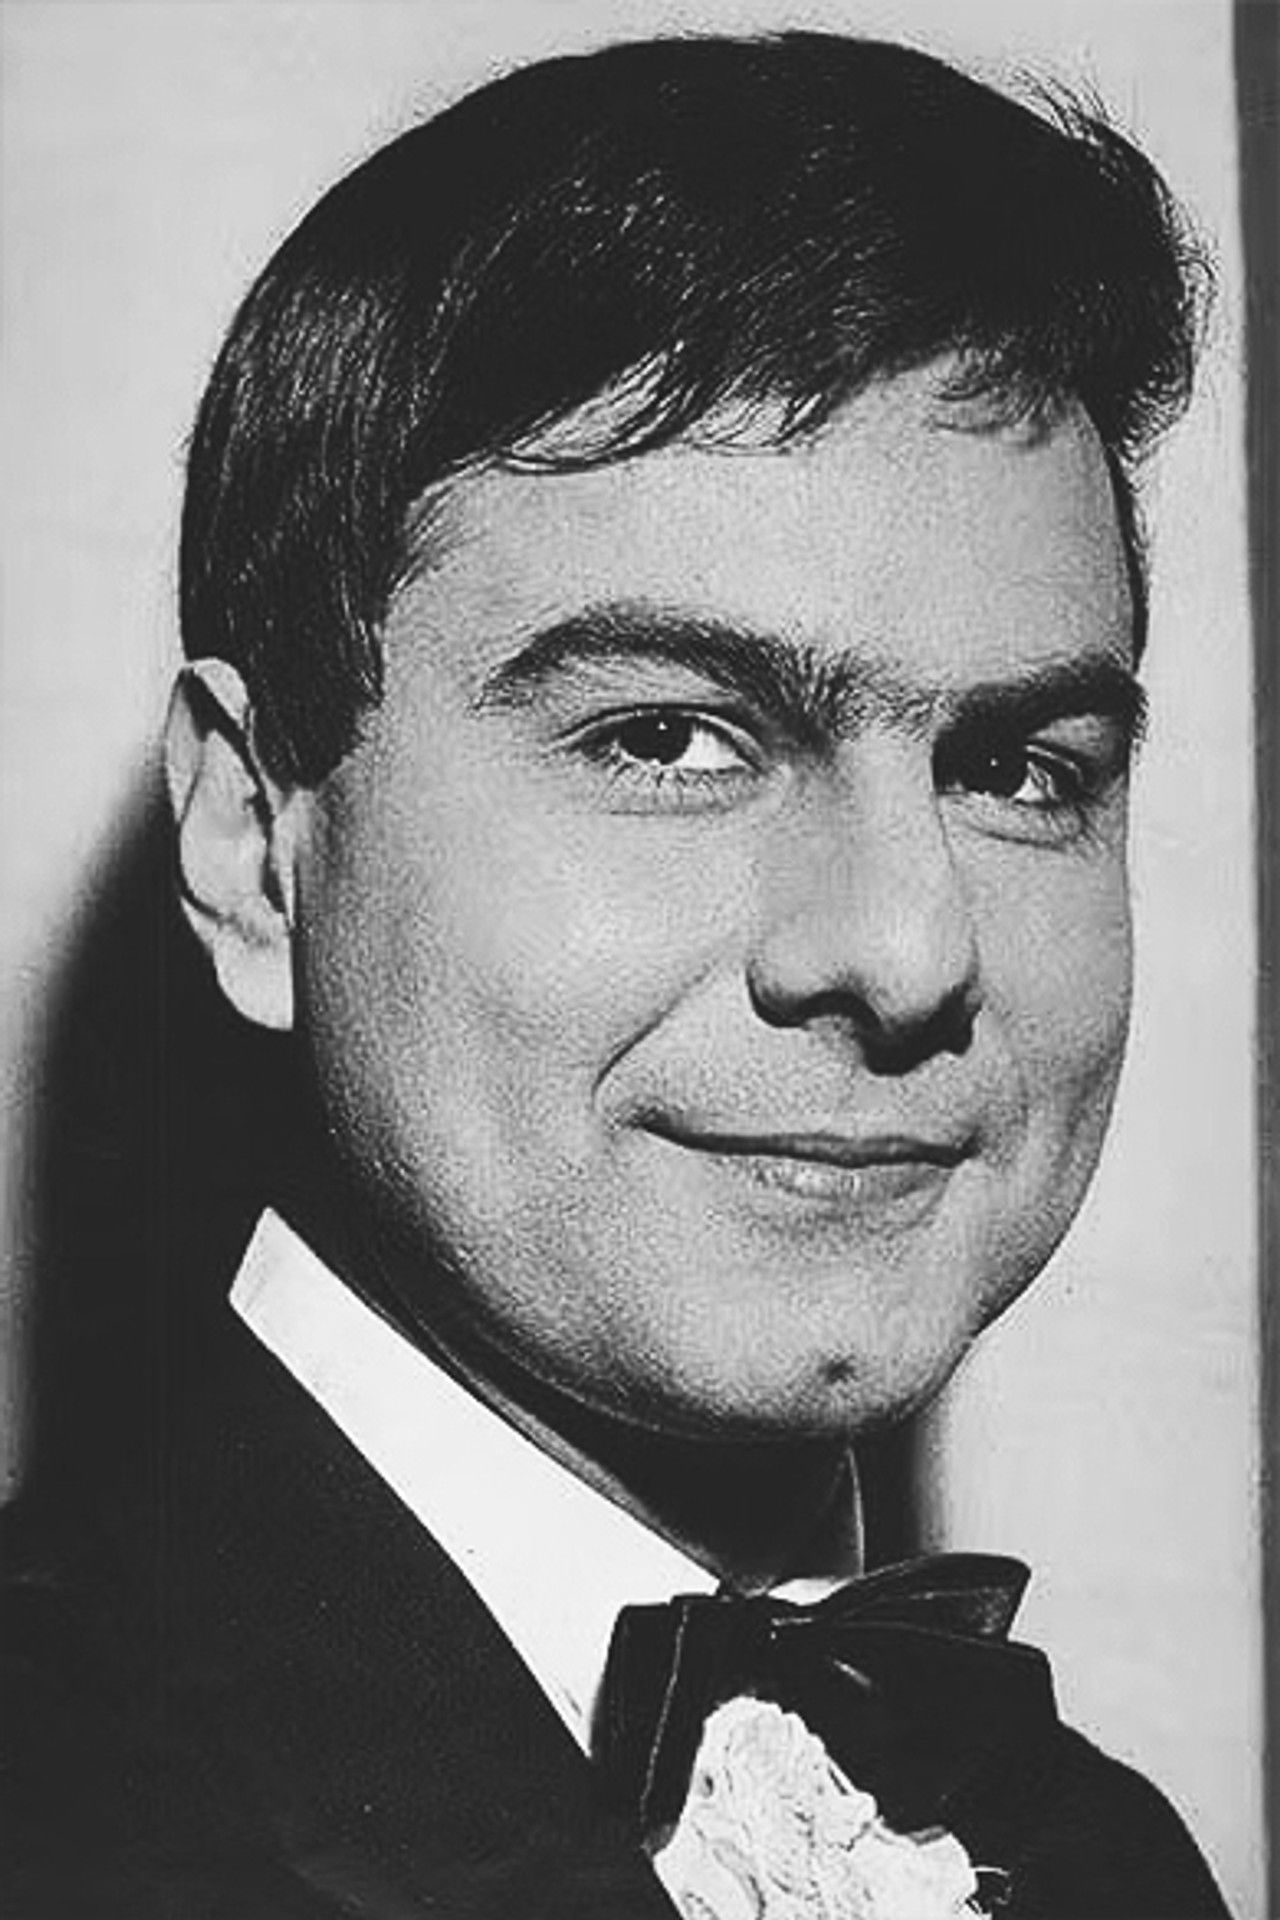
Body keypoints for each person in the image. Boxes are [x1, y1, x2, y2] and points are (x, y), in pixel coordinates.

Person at [1, 29, 1231, 1919]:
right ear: (254, 845)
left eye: (1014, 769)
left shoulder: (1113, 1859)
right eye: (666, 738)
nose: (909, 951)